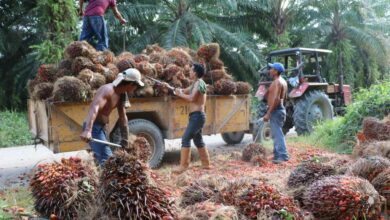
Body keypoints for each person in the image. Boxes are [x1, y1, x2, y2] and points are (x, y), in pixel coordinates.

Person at [80, 68, 144, 165]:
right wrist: (88, 130)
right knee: (107, 159)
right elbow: (94, 108)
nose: (135, 89)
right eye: (136, 86)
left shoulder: (121, 95)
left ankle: (96, 178)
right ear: (131, 84)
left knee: (100, 159)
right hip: (94, 128)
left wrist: (125, 139)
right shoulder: (107, 90)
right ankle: (106, 180)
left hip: (102, 128)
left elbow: (123, 117)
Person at [167, 63, 211, 174]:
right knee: (198, 139)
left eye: (191, 70)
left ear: (195, 72)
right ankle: (206, 164)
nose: (189, 72)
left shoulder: (200, 83)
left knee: (185, 138)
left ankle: (183, 166)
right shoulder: (195, 84)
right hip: (195, 116)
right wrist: (170, 88)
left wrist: (179, 94)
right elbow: (183, 91)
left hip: (198, 116)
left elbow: (191, 98)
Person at [263, 62, 289, 164]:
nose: (270, 70)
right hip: (279, 109)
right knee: (275, 133)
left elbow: (277, 99)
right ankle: (277, 154)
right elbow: (284, 98)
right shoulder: (283, 81)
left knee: (277, 133)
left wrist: (269, 112)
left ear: (276, 71)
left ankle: (282, 156)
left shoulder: (277, 82)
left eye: (272, 69)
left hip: (276, 110)